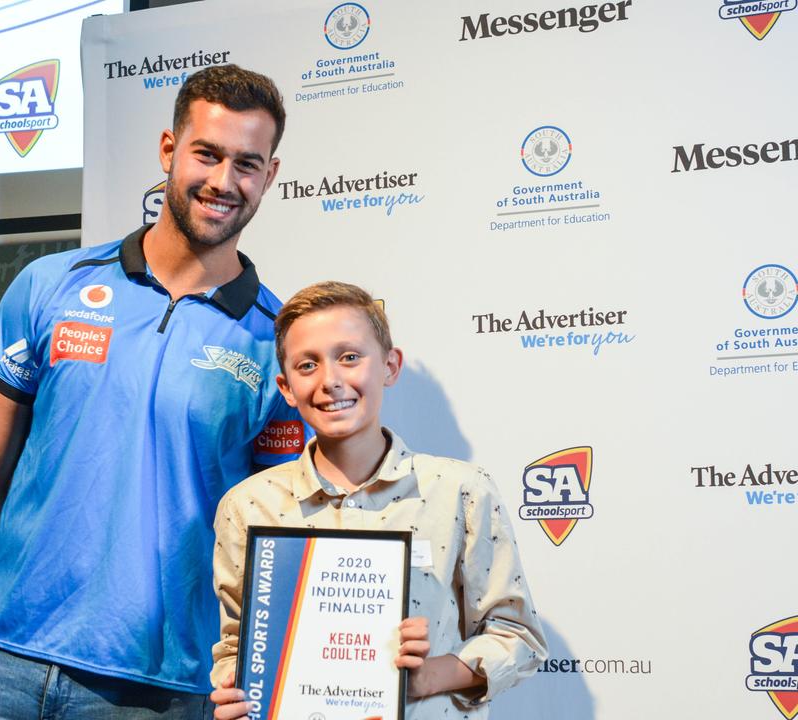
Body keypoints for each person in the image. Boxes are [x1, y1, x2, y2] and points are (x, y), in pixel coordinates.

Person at [0, 65, 304, 720]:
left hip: (160, 689)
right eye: (207, 154)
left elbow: (277, 545)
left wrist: (267, 683)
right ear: (169, 152)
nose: (224, 182)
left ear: (270, 176)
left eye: (247, 164)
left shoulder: (278, 346)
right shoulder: (49, 286)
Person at [209, 282, 548, 719]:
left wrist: (430, 675)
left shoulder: (461, 491)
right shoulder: (247, 506)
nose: (331, 380)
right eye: (307, 364)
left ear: (390, 366)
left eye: (349, 357)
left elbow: (519, 637)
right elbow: (238, 647)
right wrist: (238, 694)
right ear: (287, 387)